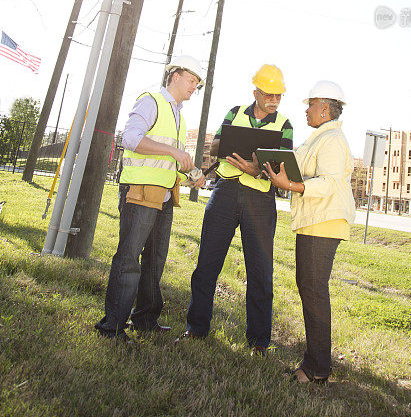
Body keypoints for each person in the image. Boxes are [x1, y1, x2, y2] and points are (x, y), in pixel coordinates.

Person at [182, 64, 293, 355]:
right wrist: (234, 146)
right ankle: (196, 327)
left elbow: (284, 165)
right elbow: (216, 144)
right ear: (255, 92)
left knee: (260, 271)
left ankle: (258, 341)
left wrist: (258, 168)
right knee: (207, 263)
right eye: (268, 94)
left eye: (278, 96)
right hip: (226, 192)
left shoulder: (285, 124)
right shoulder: (234, 112)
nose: (274, 100)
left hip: (260, 200)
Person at [95, 55, 206, 341]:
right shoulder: (151, 101)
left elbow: (169, 164)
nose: (194, 86)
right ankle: (113, 326)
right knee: (129, 258)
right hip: (140, 192)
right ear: (176, 75)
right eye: (192, 80)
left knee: (155, 260)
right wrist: (173, 153)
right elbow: (130, 139)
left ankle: (145, 319)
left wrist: (191, 176)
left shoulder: (179, 116)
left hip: (164, 196)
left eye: (197, 83)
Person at [264, 80, 355, 384]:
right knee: (310, 288)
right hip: (314, 221)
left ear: (326, 109)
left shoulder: (332, 141)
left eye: (311, 104)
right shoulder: (319, 137)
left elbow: (329, 183)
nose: (306, 109)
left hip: (323, 223)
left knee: (314, 291)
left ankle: (317, 369)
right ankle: (315, 363)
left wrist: (290, 185)